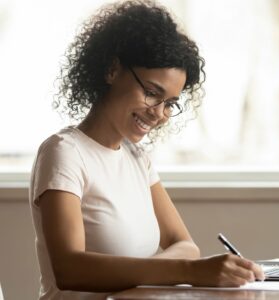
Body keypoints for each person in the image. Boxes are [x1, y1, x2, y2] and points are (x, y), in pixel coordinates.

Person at [29, 1, 265, 299]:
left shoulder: (136, 158)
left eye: (169, 103)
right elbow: (70, 270)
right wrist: (187, 272)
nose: (159, 113)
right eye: (152, 93)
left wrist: (150, 274)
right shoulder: (65, 153)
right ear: (112, 70)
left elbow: (186, 244)